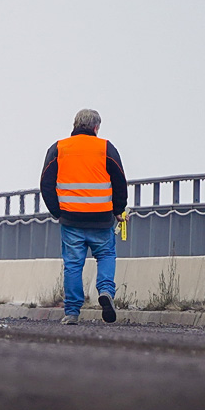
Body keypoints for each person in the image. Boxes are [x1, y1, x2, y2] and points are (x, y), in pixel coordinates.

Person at [41, 109, 128, 325]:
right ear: (96, 127)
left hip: (71, 220)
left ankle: (72, 312)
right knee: (106, 256)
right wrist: (119, 210)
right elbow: (119, 181)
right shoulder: (106, 148)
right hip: (102, 218)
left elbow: (46, 183)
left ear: (74, 124)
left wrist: (56, 211)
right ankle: (106, 291)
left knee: (73, 264)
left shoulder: (59, 148)